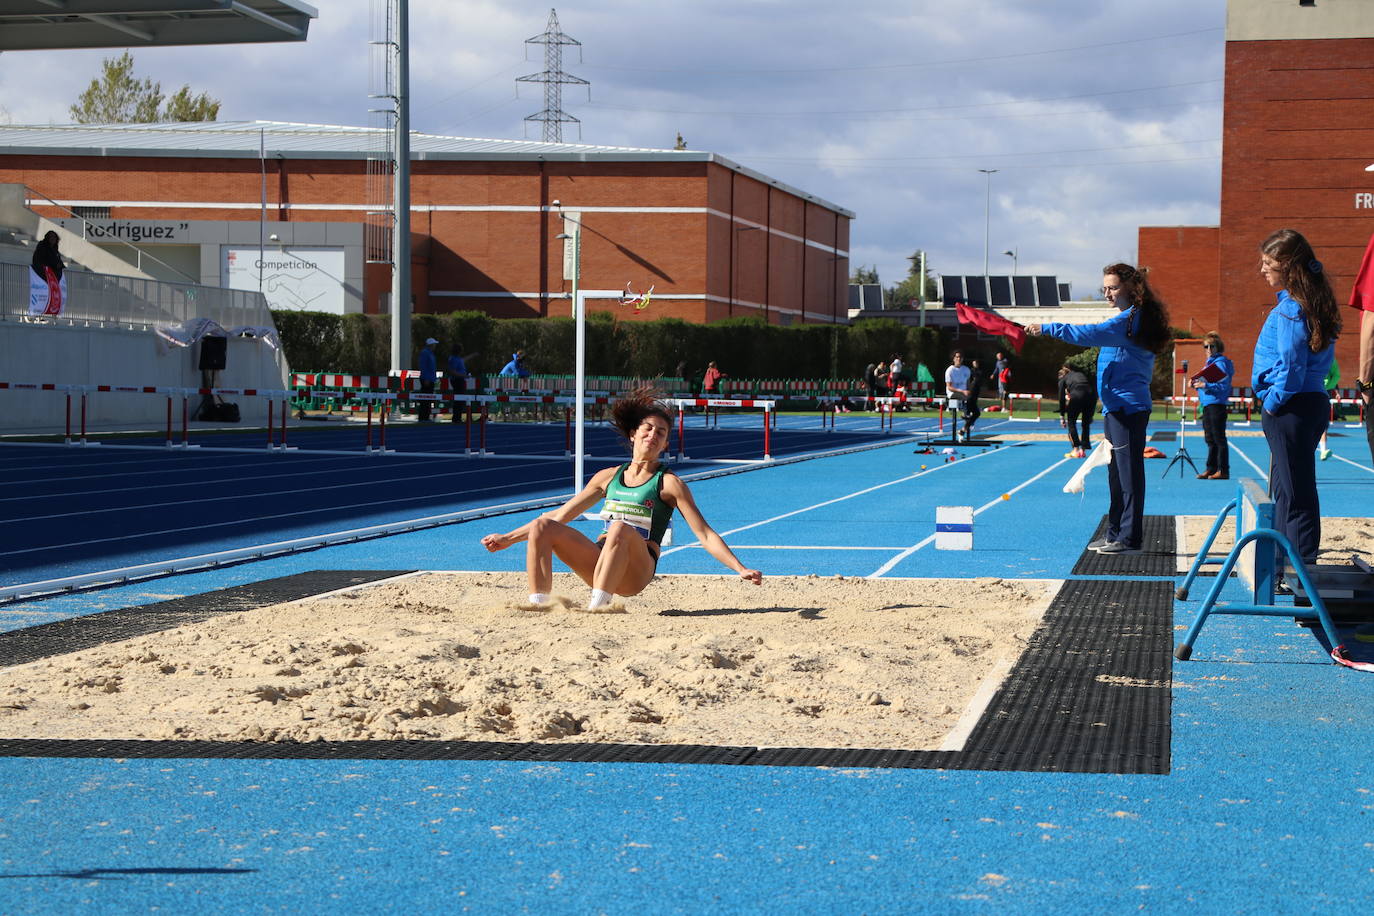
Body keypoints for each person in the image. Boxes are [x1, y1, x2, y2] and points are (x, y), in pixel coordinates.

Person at [481, 388, 762, 609]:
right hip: (599, 560)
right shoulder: (607, 477)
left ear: (665, 445)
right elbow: (559, 517)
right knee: (543, 525)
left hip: (636, 571)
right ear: (633, 434)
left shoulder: (669, 483)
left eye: (661, 433)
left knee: (619, 527)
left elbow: (705, 534)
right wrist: (507, 538)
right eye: (648, 429)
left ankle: (598, 607)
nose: (653, 435)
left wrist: (739, 567)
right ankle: (540, 604)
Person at [1028, 262, 1172, 555]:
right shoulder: (1127, 319)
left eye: (1113, 287)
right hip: (1115, 407)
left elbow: (1088, 334)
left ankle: (1129, 538)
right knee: (1116, 473)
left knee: (1128, 473)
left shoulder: (1130, 322)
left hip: (1127, 409)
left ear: (1132, 288)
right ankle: (1115, 533)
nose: (1107, 293)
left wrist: (1046, 327)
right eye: (1104, 288)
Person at [1253, 228, 1340, 571]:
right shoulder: (1314, 302)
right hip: (1309, 402)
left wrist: (1274, 402)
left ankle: (1301, 569)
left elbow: (1291, 365)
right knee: (1290, 490)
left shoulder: (1292, 310)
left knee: (1294, 493)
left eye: (1267, 263)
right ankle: (1285, 562)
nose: (1262, 270)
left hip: (1291, 406)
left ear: (1288, 267)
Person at [1193, 332, 1235, 479]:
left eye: (1212, 346)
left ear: (1218, 347)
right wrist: (1197, 384)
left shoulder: (1220, 363)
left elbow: (1223, 386)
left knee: (1219, 439)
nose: (1209, 349)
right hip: (1208, 404)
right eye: (1206, 346)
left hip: (1217, 405)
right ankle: (1211, 469)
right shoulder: (1209, 364)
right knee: (1210, 439)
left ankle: (1223, 470)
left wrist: (1205, 384)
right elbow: (1208, 384)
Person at [1056, 363, 1096, 458]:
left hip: (1077, 395)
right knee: (1086, 424)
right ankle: (1083, 450)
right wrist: (1091, 414)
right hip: (1091, 395)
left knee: (1071, 422)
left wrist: (1062, 416)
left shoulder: (1063, 379)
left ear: (1061, 375)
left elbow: (1061, 398)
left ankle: (1076, 449)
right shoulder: (1078, 374)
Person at [944, 350, 971, 441]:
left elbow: (968, 384)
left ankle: (962, 431)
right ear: (954, 358)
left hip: (964, 393)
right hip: (953, 393)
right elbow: (949, 387)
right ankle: (964, 412)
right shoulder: (950, 370)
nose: (959, 359)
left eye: (960, 357)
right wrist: (962, 391)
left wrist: (969, 391)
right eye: (957, 357)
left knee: (974, 413)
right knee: (967, 399)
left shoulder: (966, 370)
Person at [447, 344, 476, 424]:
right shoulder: (454, 359)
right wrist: (464, 375)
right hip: (457, 380)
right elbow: (452, 371)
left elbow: (463, 360)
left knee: (460, 399)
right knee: (459, 399)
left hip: (459, 380)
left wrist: (473, 355)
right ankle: (456, 418)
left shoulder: (457, 358)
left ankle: (457, 417)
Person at [1317, 358, 1340, 461]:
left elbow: (1335, 375)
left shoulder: (1330, 358)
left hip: (1323, 392)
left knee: (1322, 423)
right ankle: (1322, 450)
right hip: (1313, 391)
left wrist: (1328, 387)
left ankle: (1323, 450)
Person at [962, 357, 985, 440]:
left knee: (976, 413)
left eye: (976, 363)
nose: (975, 365)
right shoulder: (970, 371)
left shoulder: (979, 372)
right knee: (970, 409)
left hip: (975, 392)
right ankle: (966, 416)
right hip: (970, 393)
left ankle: (964, 428)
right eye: (974, 363)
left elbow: (980, 379)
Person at [416, 337, 438, 422]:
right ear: (431, 345)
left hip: (431, 379)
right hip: (426, 379)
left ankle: (426, 416)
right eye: (434, 344)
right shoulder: (425, 353)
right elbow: (423, 366)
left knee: (429, 398)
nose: (435, 346)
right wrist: (426, 378)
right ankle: (423, 417)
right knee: (425, 398)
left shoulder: (431, 354)